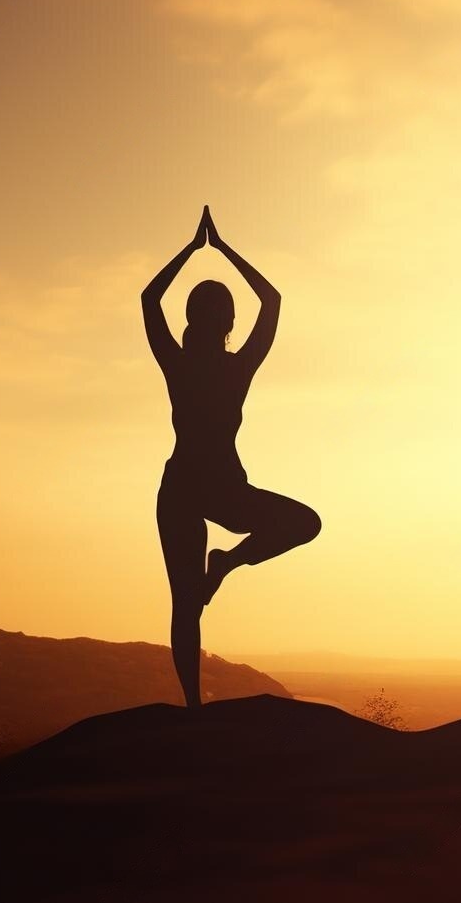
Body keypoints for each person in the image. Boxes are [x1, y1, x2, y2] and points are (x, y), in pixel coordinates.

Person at [142, 206, 321, 707]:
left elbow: (149, 297)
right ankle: (194, 706)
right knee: (187, 602)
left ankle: (222, 565)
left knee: (186, 604)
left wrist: (194, 250)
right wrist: (220, 249)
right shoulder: (233, 366)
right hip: (205, 490)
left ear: (193, 320)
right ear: (228, 322)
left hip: (197, 488)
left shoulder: (182, 365)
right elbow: (272, 299)